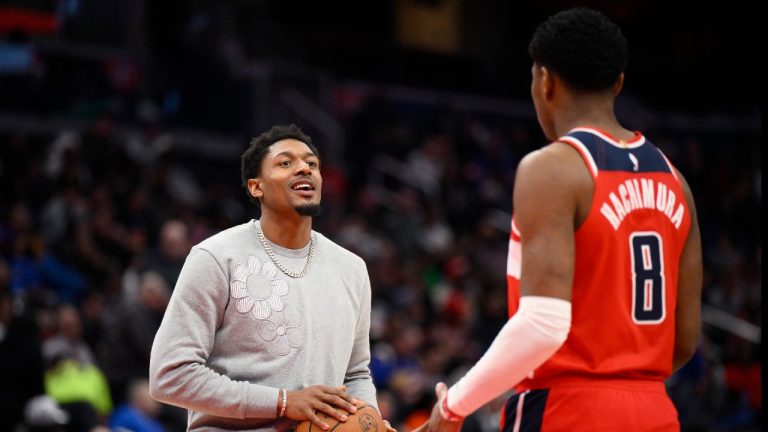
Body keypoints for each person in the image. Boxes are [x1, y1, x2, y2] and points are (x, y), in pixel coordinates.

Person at [416, 7, 702, 432]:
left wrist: (453, 405)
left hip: (567, 410)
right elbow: (683, 340)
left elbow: (544, 325)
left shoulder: (553, 168)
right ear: (618, 83)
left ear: (544, 81)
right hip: (655, 411)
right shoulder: (676, 182)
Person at [149, 124, 394, 431]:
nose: (304, 168)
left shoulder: (352, 268)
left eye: (312, 164)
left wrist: (368, 423)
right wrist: (282, 401)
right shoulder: (216, 257)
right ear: (256, 187)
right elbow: (170, 375)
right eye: (285, 163)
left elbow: (355, 374)